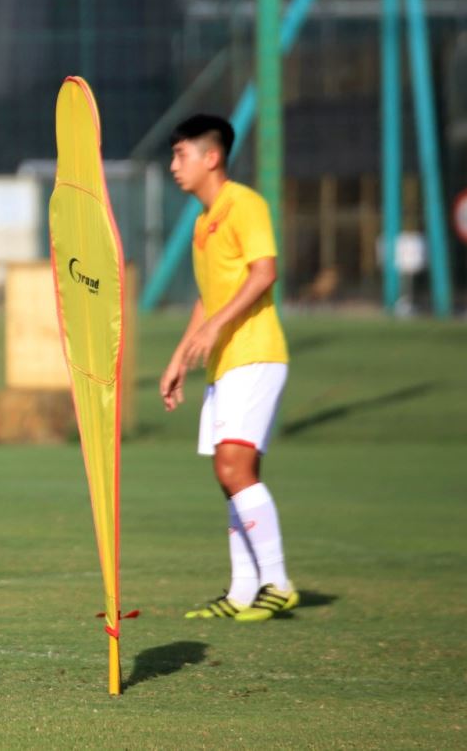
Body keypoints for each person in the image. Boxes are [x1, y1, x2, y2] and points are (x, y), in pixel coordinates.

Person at [159, 114, 297, 623]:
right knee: (231, 474)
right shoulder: (201, 223)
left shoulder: (245, 204)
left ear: (210, 157)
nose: (174, 165)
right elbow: (207, 298)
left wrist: (218, 327)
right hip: (225, 363)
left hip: (256, 354)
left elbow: (265, 272)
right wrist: (179, 357)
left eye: (180, 154)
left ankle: (277, 583)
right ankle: (242, 592)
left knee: (233, 467)